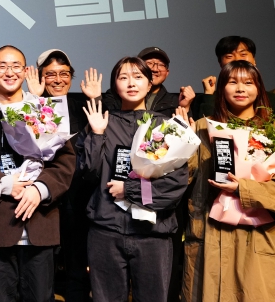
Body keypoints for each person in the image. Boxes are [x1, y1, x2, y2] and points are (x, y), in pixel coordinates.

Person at [0, 45, 75, 302]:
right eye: (2, 66)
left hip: (40, 221)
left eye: (15, 66)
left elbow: (65, 161)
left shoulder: (43, 110)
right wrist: (3, 183)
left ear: (25, 71)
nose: (9, 72)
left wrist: (40, 190)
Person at [81, 57, 189, 302]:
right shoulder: (102, 122)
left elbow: (176, 184)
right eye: (123, 77)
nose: (131, 83)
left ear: (150, 84)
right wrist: (96, 134)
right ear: (115, 85)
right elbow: (87, 174)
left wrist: (130, 189)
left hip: (152, 234)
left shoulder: (165, 126)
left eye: (138, 77)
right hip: (106, 230)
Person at [183, 61, 272, 302]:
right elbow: (183, 177)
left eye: (248, 83)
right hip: (209, 234)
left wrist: (244, 187)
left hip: (257, 237)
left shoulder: (270, 130)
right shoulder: (202, 127)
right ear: (221, 87)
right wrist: (182, 143)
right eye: (232, 82)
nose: (240, 88)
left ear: (259, 88)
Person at [35, 49, 100, 302]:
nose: (58, 80)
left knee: (76, 263)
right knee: (42, 265)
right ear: (40, 77)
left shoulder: (84, 106)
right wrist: (35, 99)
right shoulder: (29, 105)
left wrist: (95, 100)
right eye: (50, 74)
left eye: (64, 74)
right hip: (42, 197)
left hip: (77, 196)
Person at [194, 36, 275, 118]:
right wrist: (209, 95)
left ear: (254, 60)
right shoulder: (206, 99)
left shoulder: (272, 99)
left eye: (243, 54)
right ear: (220, 62)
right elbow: (205, 124)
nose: (237, 59)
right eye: (229, 56)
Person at [103, 47, 191, 118]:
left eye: (161, 65)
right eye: (149, 63)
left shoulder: (174, 102)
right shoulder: (115, 96)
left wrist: (184, 108)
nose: (155, 69)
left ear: (167, 72)